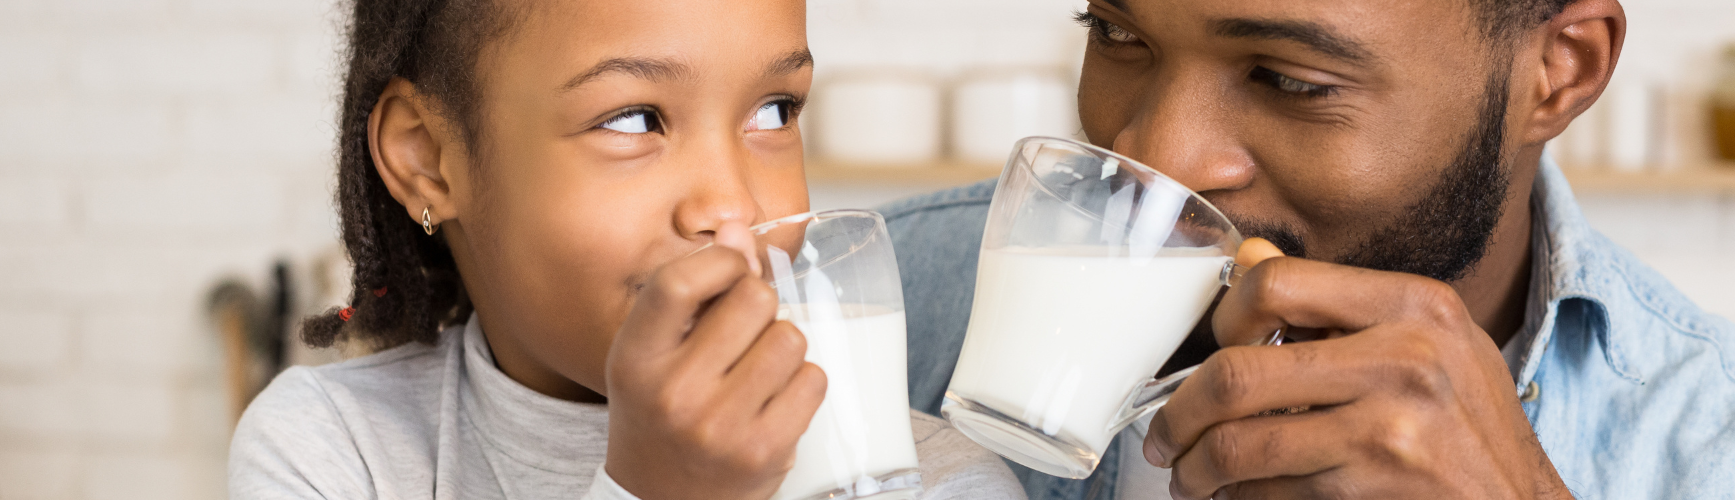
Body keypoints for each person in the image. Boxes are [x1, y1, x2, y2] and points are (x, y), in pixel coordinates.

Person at [881, 0, 1734, 498]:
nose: (1159, 159)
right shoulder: (875, 312)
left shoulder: (1708, 438)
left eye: (1290, 81)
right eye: (1117, 36)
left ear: (1561, 70)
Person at [226, 0, 1024, 498]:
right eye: (635, 119)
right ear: (428, 158)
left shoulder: (927, 478)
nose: (732, 205)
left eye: (775, 111)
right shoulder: (333, 451)